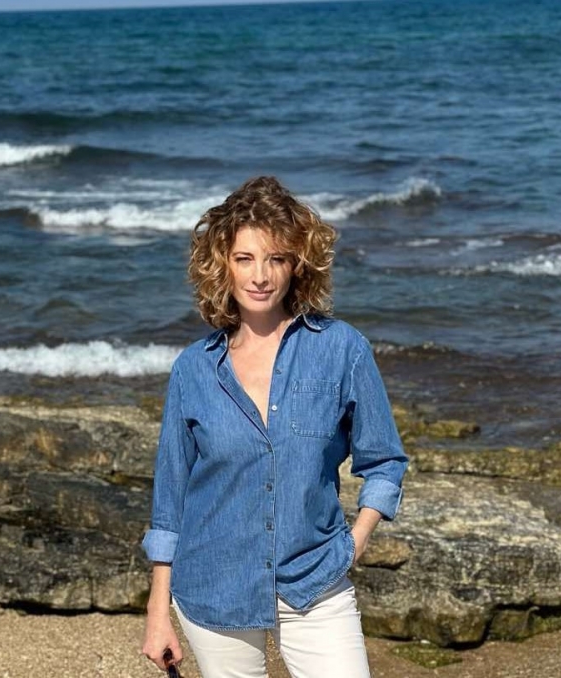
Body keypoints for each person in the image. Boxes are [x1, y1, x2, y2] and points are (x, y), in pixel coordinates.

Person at [140, 176, 409, 678]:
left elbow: (385, 460)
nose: (260, 276)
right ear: (222, 265)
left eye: (276, 259)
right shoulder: (193, 369)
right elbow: (170, 500)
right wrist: (158, 613)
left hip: (315, 578)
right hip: (213, 584)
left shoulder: (341, 349)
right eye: (244, 259)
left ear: (297, 264)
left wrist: (357, 540)